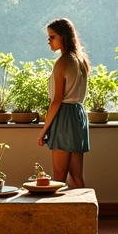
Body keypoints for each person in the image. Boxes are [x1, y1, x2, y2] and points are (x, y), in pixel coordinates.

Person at [38, 18, 90, 187]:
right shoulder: (80, 60)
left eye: (52, 37)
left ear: (63, 37)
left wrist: (44, 130)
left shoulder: (63, 62)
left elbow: (57, 100)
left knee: (59, 177)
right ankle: (84, 212)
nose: (49, 41)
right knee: (76, 177)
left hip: (64, 117)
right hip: (78, 116)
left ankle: (56, 213)